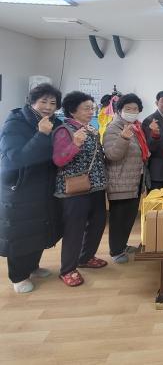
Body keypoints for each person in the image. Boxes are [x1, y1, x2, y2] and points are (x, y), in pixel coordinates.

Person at [0, 83, 62, 293]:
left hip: (44, 185)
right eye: (43, 101)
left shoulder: (55, 123)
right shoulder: (15, 122)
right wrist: (41, 134)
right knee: (21, 232)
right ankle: (18, 276)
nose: (48, 107)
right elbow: (16, 158)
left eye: (53, 103)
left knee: (40, 228)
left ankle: (33, 266)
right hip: (20, 188)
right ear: (31, 102)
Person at [53, 91, 108, 287]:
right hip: (74, 188)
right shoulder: (64, 130)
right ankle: (67, 269)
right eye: (86, 108)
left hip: (96, 186)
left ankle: (86, 257)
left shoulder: (91, 129)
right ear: (72, 110)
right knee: (74, 229)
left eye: (92, 108)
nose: (91, 111)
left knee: (98, 223)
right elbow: (59, 160)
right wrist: (75, 143)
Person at [103, 93, 150, 264]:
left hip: (134, 180)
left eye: (135, 109)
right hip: (120, 181)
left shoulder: (136, 127)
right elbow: (112, 155)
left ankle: (122, 245)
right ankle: (116, 251)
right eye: (127, 108)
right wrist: (123, 138)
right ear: (119, 110)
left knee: (129, 217)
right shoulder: (114, 128)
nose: (132, 111)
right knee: (119, 218)